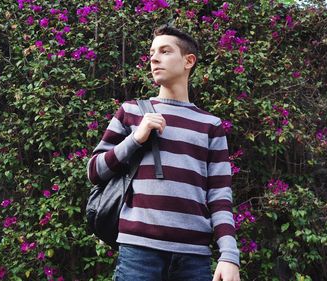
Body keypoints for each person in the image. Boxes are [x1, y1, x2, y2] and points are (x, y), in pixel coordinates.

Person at [87, 25, 240, 281]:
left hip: (193, 259)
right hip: (138, 253)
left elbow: (219, 197)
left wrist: (229, 255)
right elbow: (95, 171)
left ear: (188, 61)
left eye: (165, 51)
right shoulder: (132, 112)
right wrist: (136, 139)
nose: (154, 59)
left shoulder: (210, 126)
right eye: (152, 53)